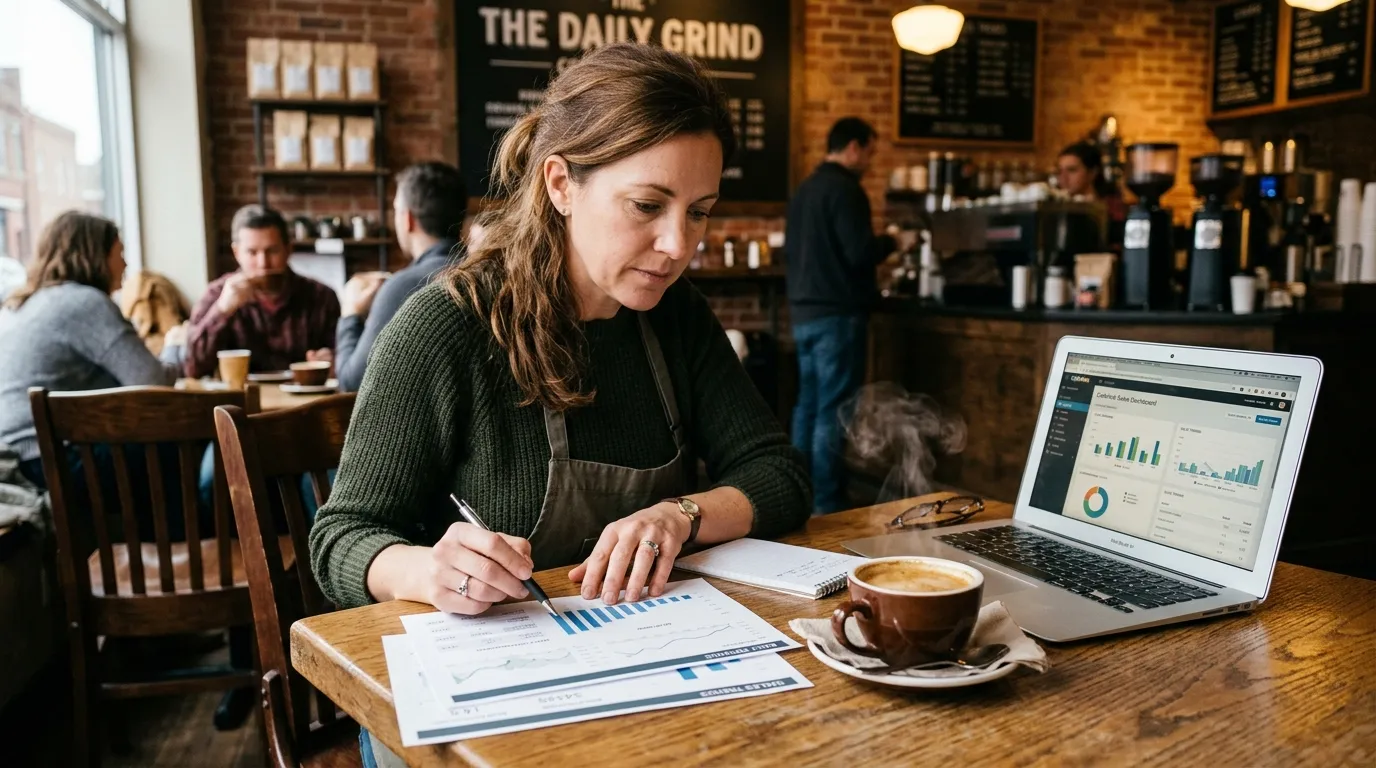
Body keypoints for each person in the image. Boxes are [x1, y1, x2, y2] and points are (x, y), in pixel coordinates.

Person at [310, 42, 810, 619]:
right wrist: (424, 569)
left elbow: (780, 475)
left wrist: (681, 515)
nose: (678, 246)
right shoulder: (445, 327)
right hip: (503, 667)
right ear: (561, 185)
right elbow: (340, 538)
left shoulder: (676, 316)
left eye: (699, 211)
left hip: (654, 646)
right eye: (647, 205)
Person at [0, 211, 182, 489]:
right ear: (96, 256)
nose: (125, 264)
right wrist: (175, 345)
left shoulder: (24, 304)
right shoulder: (85, 303)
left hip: (19, 459)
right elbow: (154, 384)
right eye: (119, 253)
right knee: (190, 441)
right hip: (54, 461)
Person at [784, 117, 896, 515]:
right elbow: (858, 252)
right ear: (853, 147)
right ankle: (827, 504)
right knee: (832, 410)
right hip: (837, 314)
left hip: (803, 312)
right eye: (869, 151)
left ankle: (794, 496)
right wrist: (894, 241)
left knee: (808, 407)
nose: (869, 160)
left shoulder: (805, 190)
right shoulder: (847, 190)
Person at [334, 162, 468, 393]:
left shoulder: (404, 286)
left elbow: (353, 383)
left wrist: (350, 314)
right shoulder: (490, 274)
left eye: (396, 209)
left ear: (408, 219)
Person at [182, 205, 340, 377]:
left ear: (288, 249)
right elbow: (193, 367)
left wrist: (332, 359)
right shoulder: (217, 294)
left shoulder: (322, 297)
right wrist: (222, 311)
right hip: (240, 400)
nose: (263, 263)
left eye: (272, 251)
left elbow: (346, 364)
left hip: (305, 400)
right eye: (252, 252)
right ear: (237, 253)